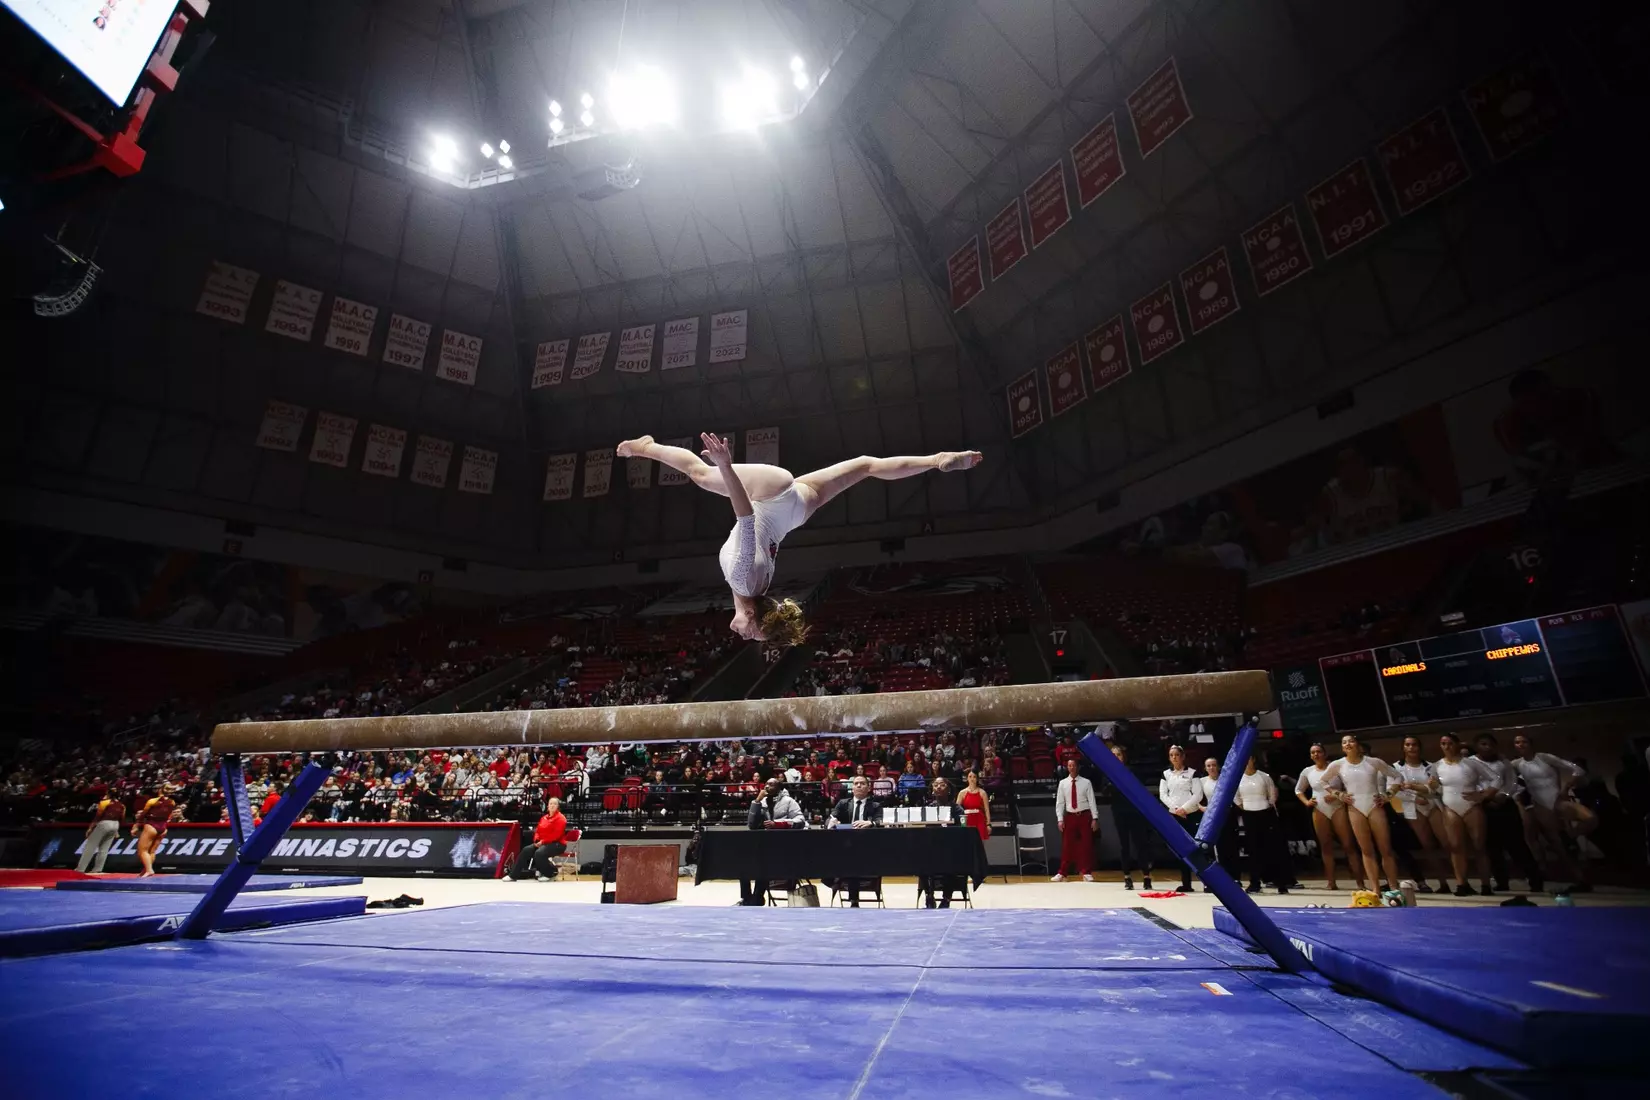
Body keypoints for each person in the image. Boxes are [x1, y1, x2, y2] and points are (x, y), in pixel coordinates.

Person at [617, 432, 981, 643]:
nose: (742, 636)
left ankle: (937, 459)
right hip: (771, 495)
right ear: (752, 615)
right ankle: (644, 447)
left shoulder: (758, 587)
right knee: (699, 472)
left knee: (867, 466)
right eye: (751, 633)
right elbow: (744, 517)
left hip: (796, 512)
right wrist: (725, 468)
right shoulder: (744, 579)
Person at [1320, 735, 1403, 892]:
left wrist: (1388, 795)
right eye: (1344, 742)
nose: (1347, 744)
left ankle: (1393, 886)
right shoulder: (1338, 765)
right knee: (1366, 850)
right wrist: (1339, 794)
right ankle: (1375, 889)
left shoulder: (1373, 762)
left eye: (1351, 741)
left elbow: (1397, 776)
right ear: (1342, 747)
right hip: (1355, 808)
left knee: (1385, 849)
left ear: (1358, 745)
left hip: (1374, 805)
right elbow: (1323, 781)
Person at [1508, 734, 1590, 892]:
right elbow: (1502, 777)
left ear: (1531, 744)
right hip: (1540, 806)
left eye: (1524, 741)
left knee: (1590, 820)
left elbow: (1577, 769)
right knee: (1559, 845)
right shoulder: (1516, 764)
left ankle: (1571, 837)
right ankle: (1580, 879)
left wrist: (1566, 788)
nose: (1520, 745)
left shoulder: (1545, 757)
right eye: (1517, 742)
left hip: (1558, 801)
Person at [1473, 735, 1543, 893]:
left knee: (1517, 845)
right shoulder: (1471, 763)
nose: (1487, 747)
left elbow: (1512, 782)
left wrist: (1503, 796)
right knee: (1493, 848)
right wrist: (1486, 797)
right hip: (1484, 806)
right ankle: (1502, 881)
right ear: (1477, 746)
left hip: (1505, 805)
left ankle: (1535, 880)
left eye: (1490, 744)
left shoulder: (1503, 762)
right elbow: (1470, 783)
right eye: (1483, 744)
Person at [1431, 733, 1497, 897]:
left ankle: (1486, 884)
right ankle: (1461, 884)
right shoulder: (1437, 765)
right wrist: (1432, 786)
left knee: (1479, 847)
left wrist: (1483, 794)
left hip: (1472, 807)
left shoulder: (1471, 763)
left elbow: (1496, 779)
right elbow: (1435, 789)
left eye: (1450, 743)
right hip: (1450, 808)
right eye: (1443, 743)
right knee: (1456, 847)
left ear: (1458, 744)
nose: (1447, 746)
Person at [1296, 742, 1361, 891]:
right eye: (1312, 752)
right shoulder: (1307, 771)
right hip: (1319, 809)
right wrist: (1307, 801)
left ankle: (1360, 882)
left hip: (1338, 808)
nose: (1315, 755)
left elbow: (1349, 786)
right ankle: (1331, 883)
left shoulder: (1336, 767)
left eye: (1318, 751)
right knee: (1325, 847)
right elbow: (1298, 790)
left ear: (1325, 753)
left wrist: (1337, 795)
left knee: (1348, 845)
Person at [1389, 736, 1449, 894]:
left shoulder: (1430, 766)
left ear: (1419, 747)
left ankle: (1460, 879)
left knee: (1447, 843)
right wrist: (1414, 798)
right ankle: (1443, 883)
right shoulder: (1395, 767)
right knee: (1428, 846)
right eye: (1407, 744)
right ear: (1403, 748)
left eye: (1414, 744)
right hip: (1413, 808)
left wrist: (1421, 790)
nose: (1411, 748)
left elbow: (1436, 788)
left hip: (1433, 805)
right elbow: (1393, 790)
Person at [740, 777, 806, 905]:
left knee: (764, 865)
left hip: (783, 846)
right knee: (743, 867)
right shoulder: (762, 802)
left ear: (779, 788)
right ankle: (747, 899)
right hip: (764, 846)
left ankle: (757, 898)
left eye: (771, 785)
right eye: (766, 784)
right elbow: (751, 825)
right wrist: (757, 801)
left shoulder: (789, 801)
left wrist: (779, 824)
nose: (767, 787)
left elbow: (800, 820)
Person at [1233, 758, 1289, 894]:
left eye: (1249, 759)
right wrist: (1246, 808)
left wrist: (1266, 808)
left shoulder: (1264, 777)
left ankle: (1280, 883)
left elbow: (1272, 796)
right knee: (1253, 850)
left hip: (1265, 814)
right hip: (1249, 815)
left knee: (1272, 849)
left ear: (1254, 760)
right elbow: (1236, 798)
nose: (1246, 761)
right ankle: (1255, 883)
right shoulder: (1238, 778)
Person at [827, 776, 883, 907]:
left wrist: (871, 822)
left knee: (852, 861)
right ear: (852, 788)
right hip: (846, 844)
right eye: (856, 783)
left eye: (862, 783)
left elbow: (881, 821)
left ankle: (851, 896)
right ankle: (838, 882)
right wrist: (832, 822)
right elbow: (831, 817)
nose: (859, 785)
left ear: (869, 788)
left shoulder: (876, 805)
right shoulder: (843, 803)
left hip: (867, 846)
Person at [1105, 744, 1154, 890]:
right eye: (1113, 755)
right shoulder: (1107, 773)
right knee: (1123, 846)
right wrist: (1110, 784)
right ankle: (1127, 877)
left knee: (1140, 844)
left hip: (1135, 811)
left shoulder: (1132, 771)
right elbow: (1105, 791)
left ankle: (1146, 877)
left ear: (1123, 757)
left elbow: (1140, 789)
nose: (1116, 757)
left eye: (1118, 755)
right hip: (1119, 812)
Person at [1159, 745, 1203, 892]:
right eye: (1171, 755)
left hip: (1191, 814)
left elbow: (1198, 795)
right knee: (1180, 849)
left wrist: (1185, 808)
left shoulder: (1193, 773)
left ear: (1183, 756)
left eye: (1177, 755)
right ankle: (1186, 882)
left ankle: (1206, 882)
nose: (1174, 758)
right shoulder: (1166, 774)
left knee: (1196, 848)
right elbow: (1163, 795)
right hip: (1175, 815)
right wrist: (1176, 809)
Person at [920, 777, 966, 908]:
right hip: (932, 849)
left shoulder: (957, 809)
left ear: (949, 789)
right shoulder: (929, 808)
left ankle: (946, 898)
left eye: (942, 785)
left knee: (951, 862)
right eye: (935, 785)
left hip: (950, 849)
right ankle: (929, 896)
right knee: (920, 862)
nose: (938, 787)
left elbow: (961, 831)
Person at [1052, 756, 1098, 882]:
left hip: (1084, 815)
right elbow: (1060, 803)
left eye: (1073, 765)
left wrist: (1095, 818)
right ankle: (1063, 872)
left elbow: (1092, 801)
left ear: (1078, 767)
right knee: (1067, 845)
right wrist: (1060, 819)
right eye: (1069, 766)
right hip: (1070, 816)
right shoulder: (1063, 783)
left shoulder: (1086, 782)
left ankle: (1086, 872)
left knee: (1086, 844)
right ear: (1067, 767)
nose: (1071, 768)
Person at [1200, 756, 1240, 890]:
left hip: (1226, 817)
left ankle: (1234, 878)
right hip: (1210, 819)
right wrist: (1204, 808)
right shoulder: (1202, 782)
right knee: (1210, 850)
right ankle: (1213, 881)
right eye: (1208, 766)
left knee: (1230, 847)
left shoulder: (1226, 780)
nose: (1211, 768)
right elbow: (1198, 800)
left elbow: (1234, 798)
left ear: (1218, 767)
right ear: (1205, 768)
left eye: (1213, 765)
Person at [505, 798, 568, 882]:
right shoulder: (544, 818)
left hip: (557, 844)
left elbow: (555, 835)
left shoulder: (561, 819)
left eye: (554, 804)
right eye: (550, 804)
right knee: (526, 850)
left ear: (558, 806)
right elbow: (537, 831)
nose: (552, 805)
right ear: (547, 806)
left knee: (539, 853)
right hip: (542, 843)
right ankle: (513, 875)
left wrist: (542, 842)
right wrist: (536, 840)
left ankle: (551, 872)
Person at [132, 786, 178, 877]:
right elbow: (169, 816)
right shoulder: (172, 802)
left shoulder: (152, 801)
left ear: (160, 790)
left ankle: (149, 870)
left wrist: (136, 826)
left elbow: (143, 815)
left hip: (152, 825)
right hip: (163, 827)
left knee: (142, 851)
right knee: (152, 851)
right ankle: (146, 870)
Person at [77, 791, 126, 874]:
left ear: (108, 795)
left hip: (104, 823)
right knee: (104, 848)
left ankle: (80, 869)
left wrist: (90, 828)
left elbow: (98, 816)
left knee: (90, 846)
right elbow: (122, 818)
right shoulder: (122, 805)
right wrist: (117, 830)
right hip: (115, 824)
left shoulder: (104, 803)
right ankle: (98, 869)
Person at [957, 770, 991, 845]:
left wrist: (988, 824)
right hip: (967, 820)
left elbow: (986, 810)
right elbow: (957, 808)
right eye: (970, 777)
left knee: (980, 844)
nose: (972, 779)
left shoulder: (982, 793)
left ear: (977, 779)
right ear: (967, 779)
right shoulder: (962, 792)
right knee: (967, 843)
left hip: (979, 819)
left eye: (974, 777)